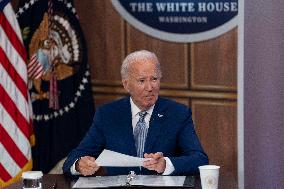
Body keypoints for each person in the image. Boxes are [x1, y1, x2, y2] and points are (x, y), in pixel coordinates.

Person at [63, 50, 208, 176]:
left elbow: (199, 159)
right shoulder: (108, 114)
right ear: (126, 84)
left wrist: (166, 164)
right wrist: (79, 165)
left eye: (154, 79)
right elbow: (74, 158)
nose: (150, 87)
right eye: (141, 81)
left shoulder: (177, 114)